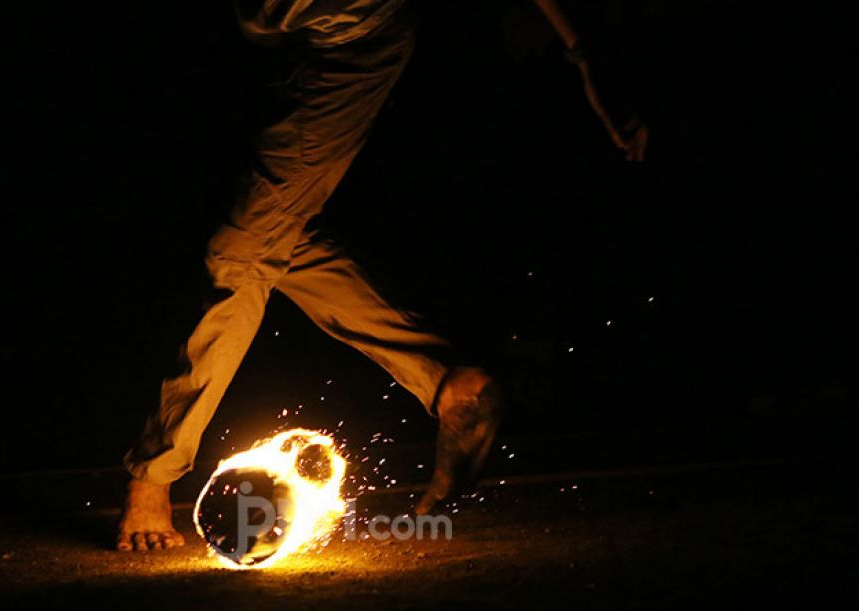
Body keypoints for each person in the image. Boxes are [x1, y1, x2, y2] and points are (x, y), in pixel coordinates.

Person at [116, 0, 648, 551]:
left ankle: (155, 472)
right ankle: (446, 383)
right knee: (274, 234)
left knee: (243, 254)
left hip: (348, 45)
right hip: (281, 43)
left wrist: (587, 57)